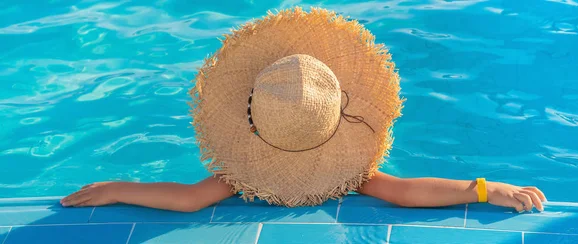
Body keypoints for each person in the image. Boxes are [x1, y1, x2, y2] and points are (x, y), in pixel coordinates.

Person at [61, 7, 546, 213]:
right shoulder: (354, 175)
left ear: (251, 114)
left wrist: (118, 188)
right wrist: (487, 189)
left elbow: (188, 199)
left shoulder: (240, 178)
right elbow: (406, 193)